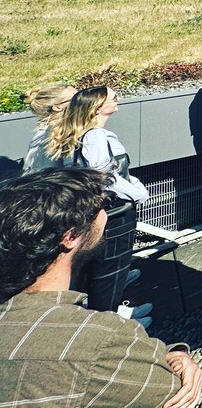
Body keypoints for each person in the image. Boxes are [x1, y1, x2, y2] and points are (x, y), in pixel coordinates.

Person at [0, 168, 202, 407]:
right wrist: (177, 357)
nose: (106, 212)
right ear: (70, 236)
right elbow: (173, 392)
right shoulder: (101, 339)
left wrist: (170, 352)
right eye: (102, 205)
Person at [33, 86, 151, 318]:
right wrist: (137, 193)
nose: (118, 98)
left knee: (92, 274)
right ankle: (111, 328)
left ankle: (101, 319)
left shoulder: (73, 133)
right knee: (109, 275)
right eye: (112, 97)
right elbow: (104, 177)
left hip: (91, 213)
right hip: (114, 214)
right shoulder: (94, 135)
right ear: (97, 108)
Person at [21, 82, 77, 171]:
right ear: (57, 107)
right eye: (76, 98)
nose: (84, 100)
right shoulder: (59, 134)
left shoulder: (43, 133)